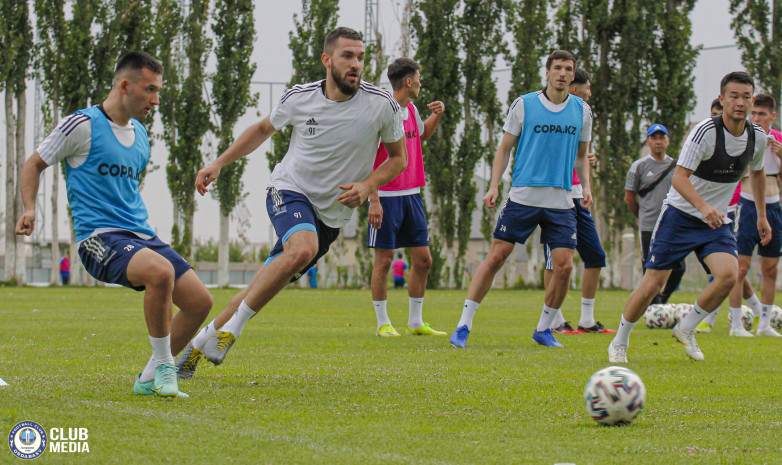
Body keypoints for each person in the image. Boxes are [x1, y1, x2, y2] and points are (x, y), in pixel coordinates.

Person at [175, 27, 406, 378]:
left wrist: (368, 185)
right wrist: (219, 163)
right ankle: (231, 333)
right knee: (300, 249)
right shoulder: (300, 98)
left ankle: (197, 346)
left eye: (360, 57)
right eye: (347, 56)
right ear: (328, 60)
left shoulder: (381, 105)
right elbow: (262, 130)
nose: (356, 64)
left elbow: (398, 159)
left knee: (265, 280)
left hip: (332, 215)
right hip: (289, 189)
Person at [15, 51, 212, 398]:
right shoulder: (81, 125)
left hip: (140, 235)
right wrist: (30, 209)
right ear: (125, 86)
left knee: (199, 301)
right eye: (150, 90)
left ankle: (149, 378)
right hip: (98, 238)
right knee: (160, 272)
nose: (156, 100)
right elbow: (34, 163)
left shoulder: (140, 134)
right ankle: (168, 369)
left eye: (159, 91)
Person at [607, 71, 769, 363]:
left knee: (728, 275)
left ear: (752, 99)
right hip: (680, 216)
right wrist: (704, 207)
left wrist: (761, 216)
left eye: (746, 97)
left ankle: (687, 327)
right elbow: (679, 179)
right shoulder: (705, 131)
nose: (740, 102)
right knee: (653, 284)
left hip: (715, 222)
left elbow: (757, 174)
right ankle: (620, 341)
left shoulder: (757, 137)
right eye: (734, 96)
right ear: (722, 99)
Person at [450, 50, 592, 349]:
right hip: (523, 196)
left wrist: (587, 187)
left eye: (568, 69)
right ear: (547, 72)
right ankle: (464, 324)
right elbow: (504, 149)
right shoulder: (525, 104)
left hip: (561, 200)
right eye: (557, 68)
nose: (563, 74)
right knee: (496, 257)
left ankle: (544, 328)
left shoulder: (582, 110)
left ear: (573, 75)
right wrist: (493, 186)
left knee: (565, 266)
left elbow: (581, 156)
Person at [367, 58, 446, 337]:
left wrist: (436, 115)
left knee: (423, 260)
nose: (421, 83)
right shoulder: (380, 112)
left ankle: (415, 322)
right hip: (386, 197)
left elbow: (421, 135)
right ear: (409, 82)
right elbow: (365, 159)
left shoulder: (411, 109)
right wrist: (373, 199)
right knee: (385, 261)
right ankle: (382, 323)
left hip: (413, 196)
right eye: (419, 78)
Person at [542, 68, 611, 335]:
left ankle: (587, 320)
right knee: (554, 261)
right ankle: (555, 321)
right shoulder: (549, 115)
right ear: (574, 89)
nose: (590, 93)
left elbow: (580, 156)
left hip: (577, 194)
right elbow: (547, 154)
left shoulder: (581, 117)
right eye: (587, 88)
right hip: (555, 197)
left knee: (595, 255)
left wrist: (587, 184)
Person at [725, 93, 782, 337]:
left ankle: (765, 324)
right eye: (754, 114)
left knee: (770, 268)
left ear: (772, 116)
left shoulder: (778, 139)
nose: (757, 118)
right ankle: (736, 324)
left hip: (774, 205)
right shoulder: (744, 135)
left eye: (761, 114)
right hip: (747, 204)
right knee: (740, 267)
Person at [625, 124, 685, 304]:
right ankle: (651, 305)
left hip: (672, 225)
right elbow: (629, 198)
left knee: (679, 267)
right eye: (654, 138)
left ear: (668, 141)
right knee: (650, 266)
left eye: (662, 138)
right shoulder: (639, 166)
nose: (658, 142)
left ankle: (661, 301)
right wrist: (642, 215)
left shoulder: (677, 166)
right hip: (649, 225)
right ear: (648, 141)